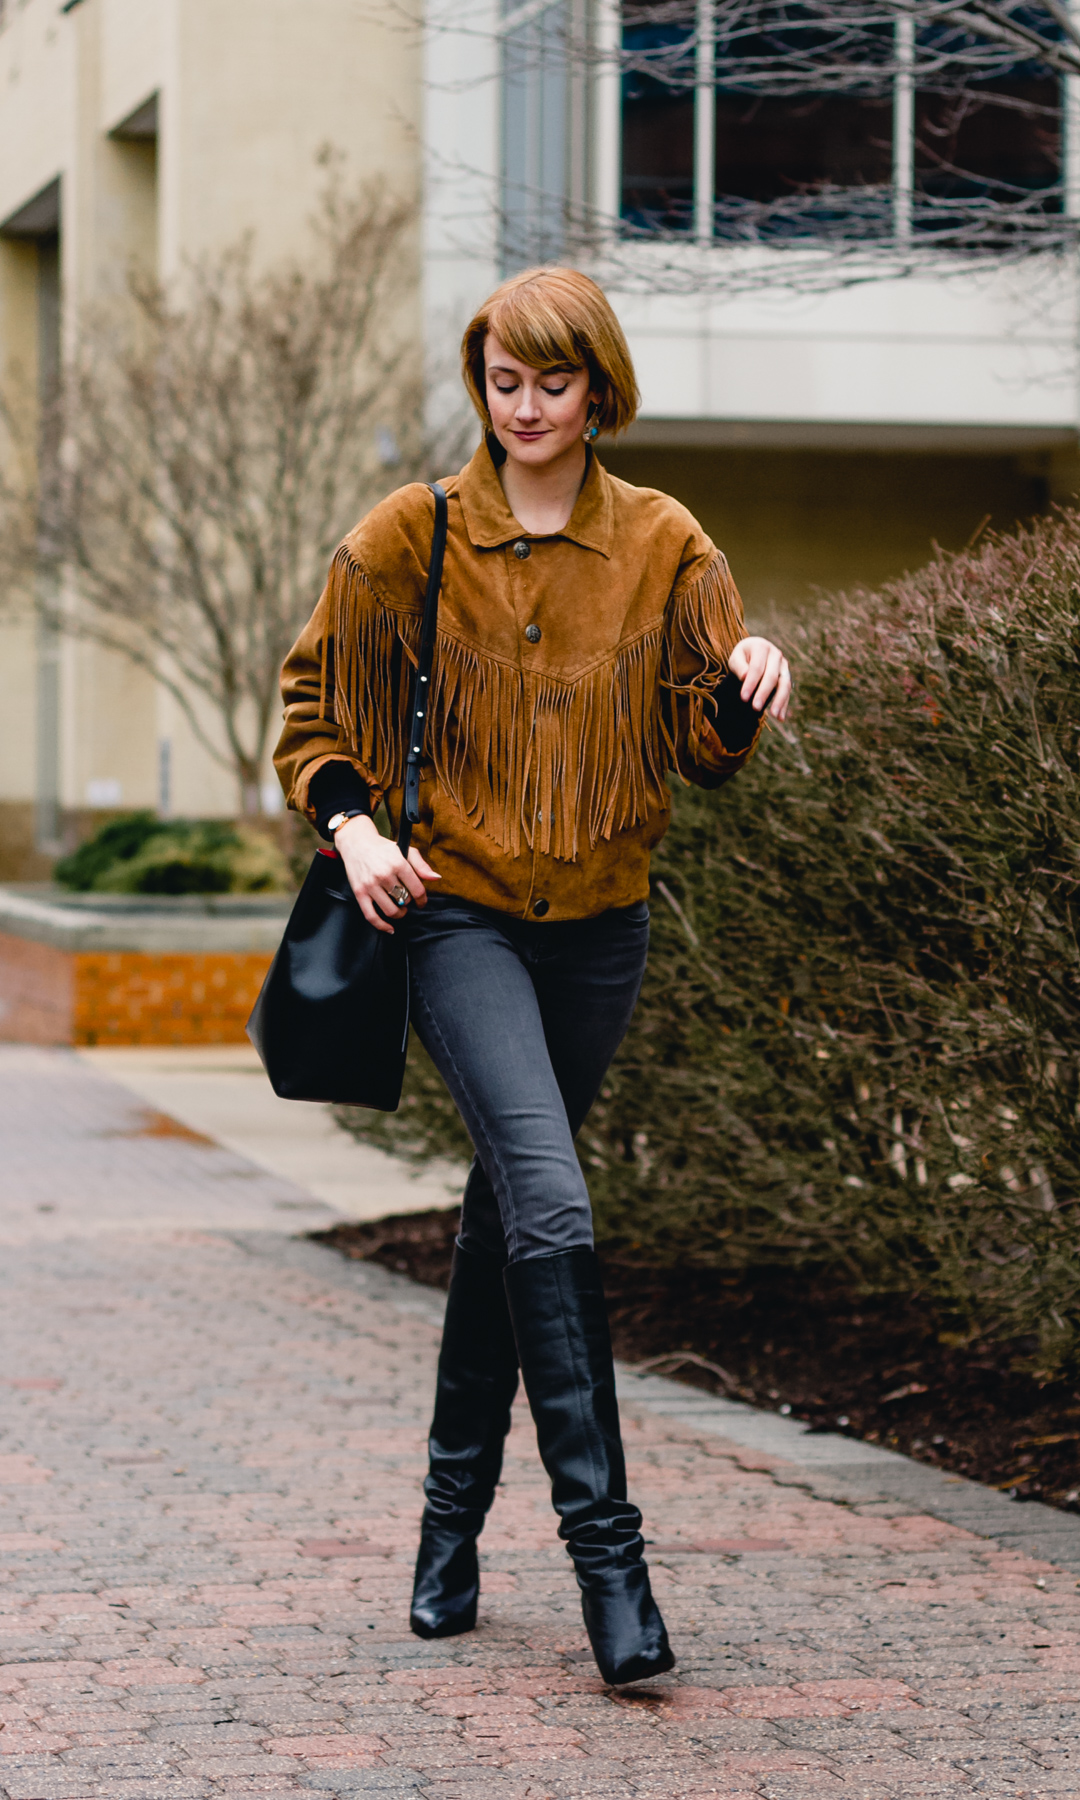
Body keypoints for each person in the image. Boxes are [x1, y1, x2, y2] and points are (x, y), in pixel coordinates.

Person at [275, 266, 791, 1686]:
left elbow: (701, 746)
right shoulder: (415, 534)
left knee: (508, 1216)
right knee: (553, 1201)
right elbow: (313, 705)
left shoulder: (667, 544)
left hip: (601, 929)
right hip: (459, 918)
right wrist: (360, 827)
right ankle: (609, 1566)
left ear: (598, 386)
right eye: (504, 381)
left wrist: (744, 677)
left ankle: (447, 1531)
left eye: (553, 383)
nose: (526, 407)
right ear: (482, 381)